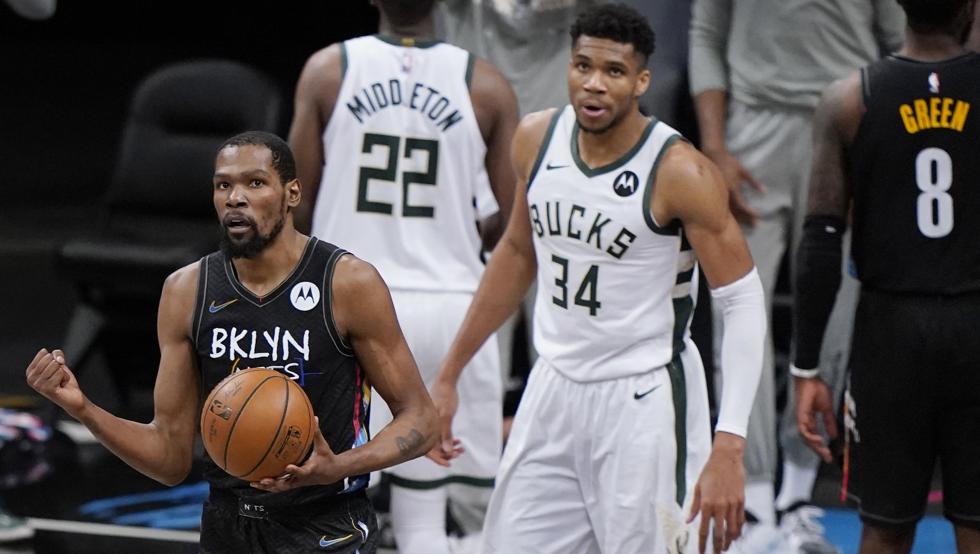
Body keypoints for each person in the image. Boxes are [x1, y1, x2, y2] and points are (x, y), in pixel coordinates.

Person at [429, 4, 766, 553]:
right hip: (552, 387)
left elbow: (743, 301)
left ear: (641, 81)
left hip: (643, 399)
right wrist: (449, 374)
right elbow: (516, 253)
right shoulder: (536, 139)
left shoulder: (680, 171)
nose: (594, 83)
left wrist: (729, 444)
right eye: (583, 66)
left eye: (613, 71)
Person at [25, 131, 438, 554]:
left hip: (326, 524)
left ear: (292, 193)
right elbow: (169, 459)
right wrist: (84, 409)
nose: (235, 198)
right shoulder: (186, 291)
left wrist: (337, 467)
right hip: (228, 528)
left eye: (255, 183)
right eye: (223, 185)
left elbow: (422, 421)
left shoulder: (348, 283)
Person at [288, 1, 519, 551]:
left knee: (321, 506)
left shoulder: (327, 71)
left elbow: (294, 205)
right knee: (424, 521)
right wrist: (457, 232)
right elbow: (512, 222)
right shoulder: (487, 84)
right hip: (449, 307)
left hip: (348, 303)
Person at [688, 0, 905, 548]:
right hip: (753, 127)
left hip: (849, 119)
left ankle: (799, 492)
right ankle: (754, 495)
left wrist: (881, 144)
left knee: (836, 315)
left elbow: (900, 41)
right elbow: (706, 32)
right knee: (738, 310)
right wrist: (714, 145)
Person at [793, 1, 980, 552]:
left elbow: (821, 241)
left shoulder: (849, 99)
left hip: (890, 334)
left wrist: (807, 365)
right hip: (975, 322)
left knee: (884, 526)